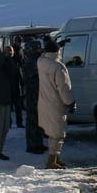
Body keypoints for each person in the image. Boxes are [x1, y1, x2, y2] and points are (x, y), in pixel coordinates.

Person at [37, 37, 75, 169]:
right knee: (58, 133)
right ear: (57, 52)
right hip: (56, 104)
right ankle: (51, 161)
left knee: (52, 132)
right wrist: (70, 102)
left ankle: (56, 158)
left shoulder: (41, 62)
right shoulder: (58, 67)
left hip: (44, 102)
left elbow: (44, 53)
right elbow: (64, 87)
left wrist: (56, 44)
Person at [23, 38, 46, 154]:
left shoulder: (35, 61)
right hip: (32, 94)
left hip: (37, 93)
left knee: (38, 119)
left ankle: (38, 142)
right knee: (32, 119)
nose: (38, 51)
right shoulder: (30, 63)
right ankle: (32, 145)